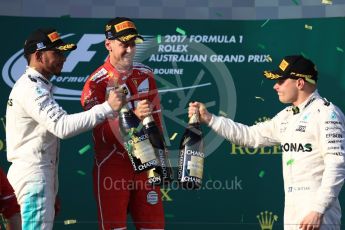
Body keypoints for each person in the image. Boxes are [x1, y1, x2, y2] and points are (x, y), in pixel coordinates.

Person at [189, 55, 345, 230]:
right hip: (293, 210)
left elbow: (337, 164)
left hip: (319, 213)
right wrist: (209, 119)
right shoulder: (287, 115)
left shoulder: (327, 114)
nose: (275, 86)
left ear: (300, 83)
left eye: (281, 80)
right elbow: (250, 135)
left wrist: (318, 210)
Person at [6, 28, 124, 230]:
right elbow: (62, 127)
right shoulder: (31, 88)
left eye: (63, 53)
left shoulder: (35, 86)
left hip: (34, 178)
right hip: (33, 179)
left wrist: (51, 187)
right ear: (39, 55)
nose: (64, 58)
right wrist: (106, 108)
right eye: (57, 53)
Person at [81, 17, 165, 230]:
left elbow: (156, 121)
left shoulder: (145, 74)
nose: (129, 50)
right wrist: (134, 116)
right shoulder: (95, 83)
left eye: (133, 44)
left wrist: (162, 158)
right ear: (108, 45)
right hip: (113, 164)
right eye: (123, 44)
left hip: (146, 164)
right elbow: (101, 134)